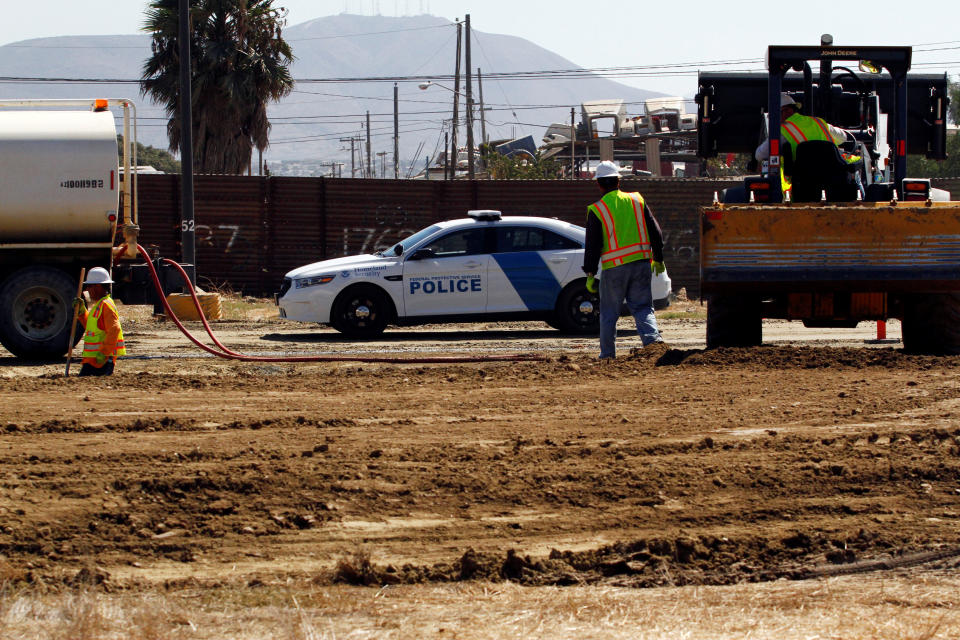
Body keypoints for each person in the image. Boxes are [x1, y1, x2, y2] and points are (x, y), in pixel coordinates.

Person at [583, 161, 665, 359]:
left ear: (599, 184)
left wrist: (590, 274)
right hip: (641, 263)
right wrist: (659, 258)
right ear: (619, 180)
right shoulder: (637, 200)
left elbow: (593, 245)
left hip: (614, 269)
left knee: (609, 313)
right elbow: (656, 232)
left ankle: (608, 356)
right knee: (643, 307)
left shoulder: (597, 209)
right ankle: (654, 346)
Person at [755, 93, 857, 193]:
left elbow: (760, 155)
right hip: (835, 183)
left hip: (805, 186)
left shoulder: (782, 131)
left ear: (786, 111)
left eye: (773, 116)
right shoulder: (819, 122)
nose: (772, 120)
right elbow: (843, 137)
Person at [72, 267, 126, 376]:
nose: (87, 289)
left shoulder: (106, 305)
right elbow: (93, 328)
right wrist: (82, 313)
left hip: (101, 360)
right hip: (93, 359)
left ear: (98, 286)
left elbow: (114, 329)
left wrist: (104, 353)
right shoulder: (100, 305)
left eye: (89, 286)